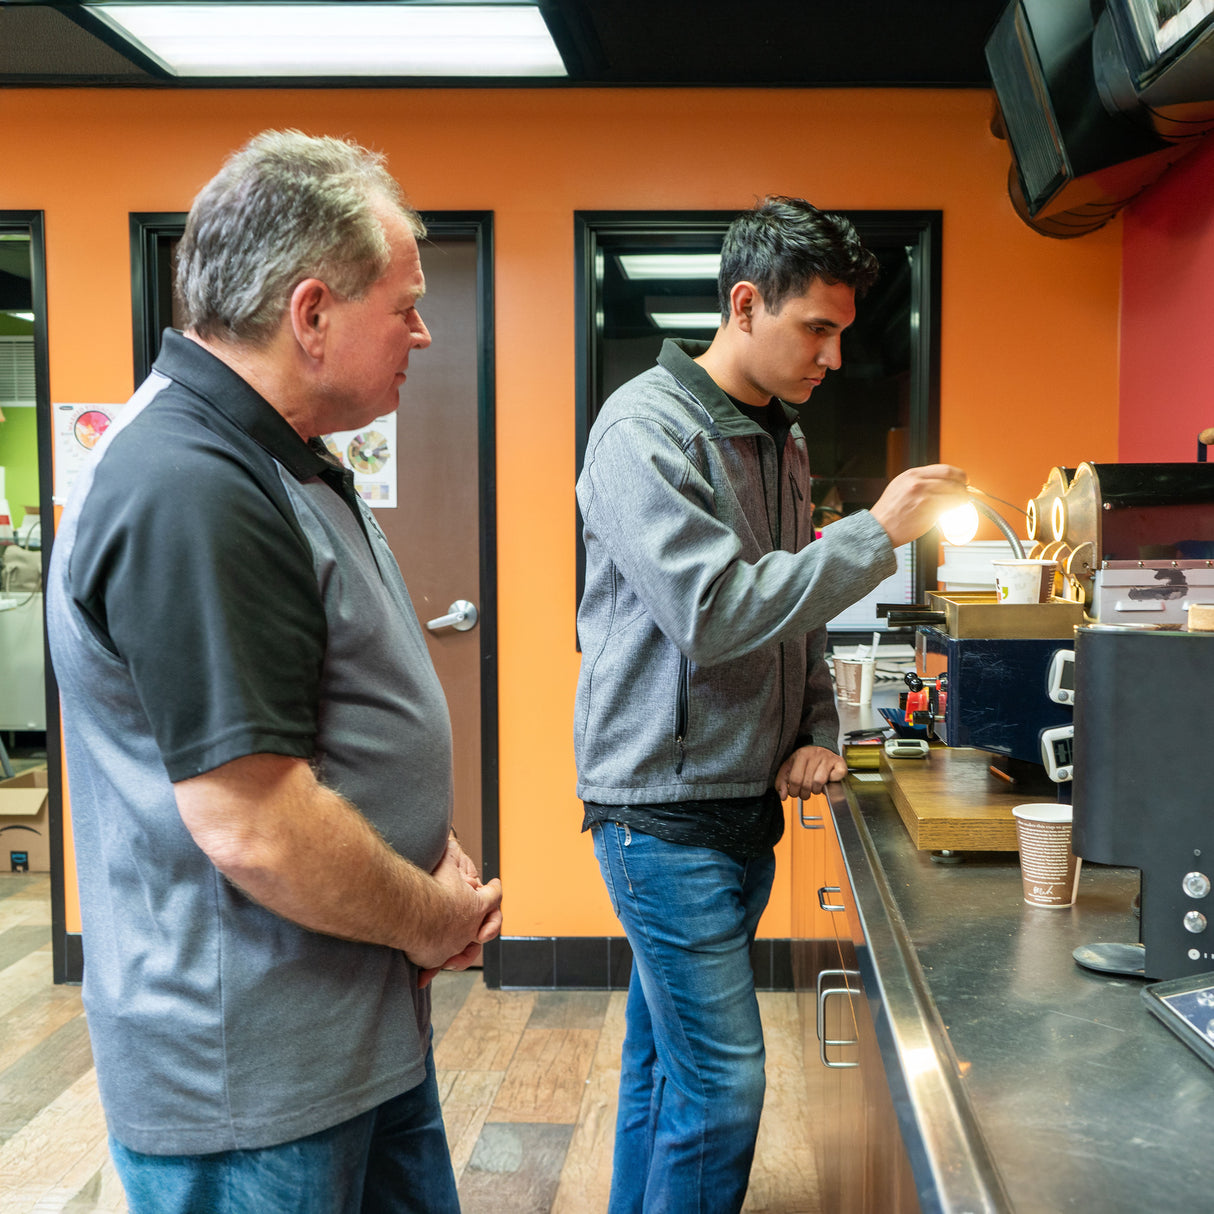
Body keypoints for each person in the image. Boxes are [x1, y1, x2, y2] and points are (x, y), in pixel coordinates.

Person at [46, 130, 502, 1214]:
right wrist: (430, 917)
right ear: (310, 314)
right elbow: (253, 824)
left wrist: (415, 838)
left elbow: (326, 715)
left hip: (346, 1035)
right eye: (404, 306)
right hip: (252, 1083)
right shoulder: (189, 484)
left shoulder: (277, 454)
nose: (423, 333)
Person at [574, 196, 967, 1213]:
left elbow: (791, 608)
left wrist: (815, 729)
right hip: (661, 810)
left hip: (736, 799)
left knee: (664, 1067)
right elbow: (712, 610)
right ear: (744, 303)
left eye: (841, 330)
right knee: (722, 1087)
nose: (832, 356)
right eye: (817, 329)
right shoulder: (641, 430)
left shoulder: (778, 440)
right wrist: (874, 532)